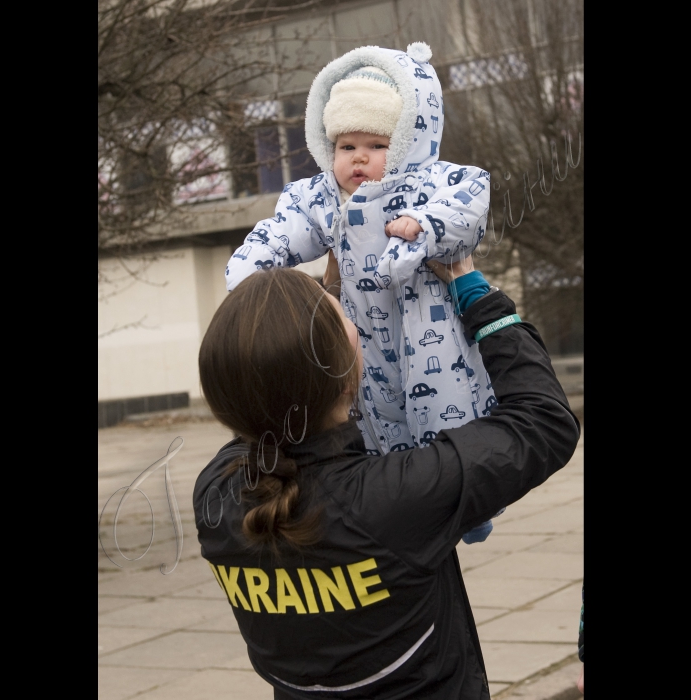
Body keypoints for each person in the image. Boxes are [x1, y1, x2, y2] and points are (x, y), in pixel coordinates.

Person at [194, 263, 580, 699]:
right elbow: (543, 424)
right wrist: (476, 294)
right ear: (345, 376)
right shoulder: (394, 499)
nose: (355, 325)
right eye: (345, 320)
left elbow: (264, 390)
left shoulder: (215, 496)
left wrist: (334, 281)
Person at [226, 42, 499, 543]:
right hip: (359, 334)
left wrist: (425, 224)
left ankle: (471, 509)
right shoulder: (321, 198)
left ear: (403, 143)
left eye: (375, 146)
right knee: (371, 421)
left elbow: (470, 202)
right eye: (346, 147)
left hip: (427, 326)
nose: (359, 159)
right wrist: (249, 274)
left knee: (446, 412)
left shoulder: (430, 181)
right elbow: (284, 230)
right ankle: (393, 508)